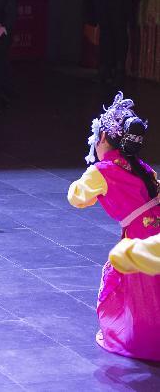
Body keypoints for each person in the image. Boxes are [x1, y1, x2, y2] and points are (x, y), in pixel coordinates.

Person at [67, 92, 160, 361]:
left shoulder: (103, 171)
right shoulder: (141, 166)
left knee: (141, 289)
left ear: (104, 138)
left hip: (140, 239)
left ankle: (144, 340)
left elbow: (77, 197)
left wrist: (88, 175)